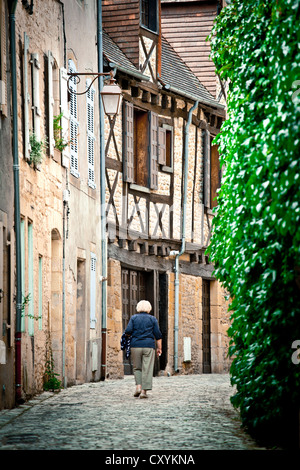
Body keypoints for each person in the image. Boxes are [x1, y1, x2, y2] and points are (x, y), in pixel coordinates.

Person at [125, 300, 162, 399]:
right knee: (147, 368)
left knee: (137, 367)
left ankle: (138, 387)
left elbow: (128, 331)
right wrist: (159, 348)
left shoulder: (133, 318)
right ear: (149, 308)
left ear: (138, 308)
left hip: (135, 345)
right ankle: (143, 392)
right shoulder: (152, 319)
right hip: (148, 346)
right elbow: (158, 335)